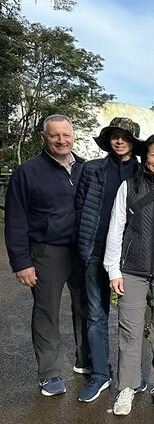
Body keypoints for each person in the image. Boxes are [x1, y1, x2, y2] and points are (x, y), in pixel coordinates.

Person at [4, 114, 91, 396]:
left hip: (82, 249)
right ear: (44, 137)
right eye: (55, 135)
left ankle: (85, 359)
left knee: (86, 306)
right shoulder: (26, 173)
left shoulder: (86, 170)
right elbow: (15, 220)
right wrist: (22, 262)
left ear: (73, 136)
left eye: (66, 135)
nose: (61, 140)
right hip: (47, 250)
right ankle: (50, 372)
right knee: (46, 311)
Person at [75, 117, 153, 404]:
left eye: (125, 137)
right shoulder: (92, 169)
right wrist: (81, 245)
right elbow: (80, 208)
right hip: (95, 251)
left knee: (130, 319)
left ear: (133, 142)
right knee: (96, 315)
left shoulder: (145, 172)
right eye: (114, 136)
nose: (119, 141)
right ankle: (99, 374)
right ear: (108, 140)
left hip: (131, 257)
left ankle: (130, 374)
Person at [104, 134, 154, 416]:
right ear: (144, 156)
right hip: (132, 268)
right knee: (130, 329)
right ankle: (127, 386)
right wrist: (113, 269)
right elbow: (116, 227)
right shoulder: (129, 186)